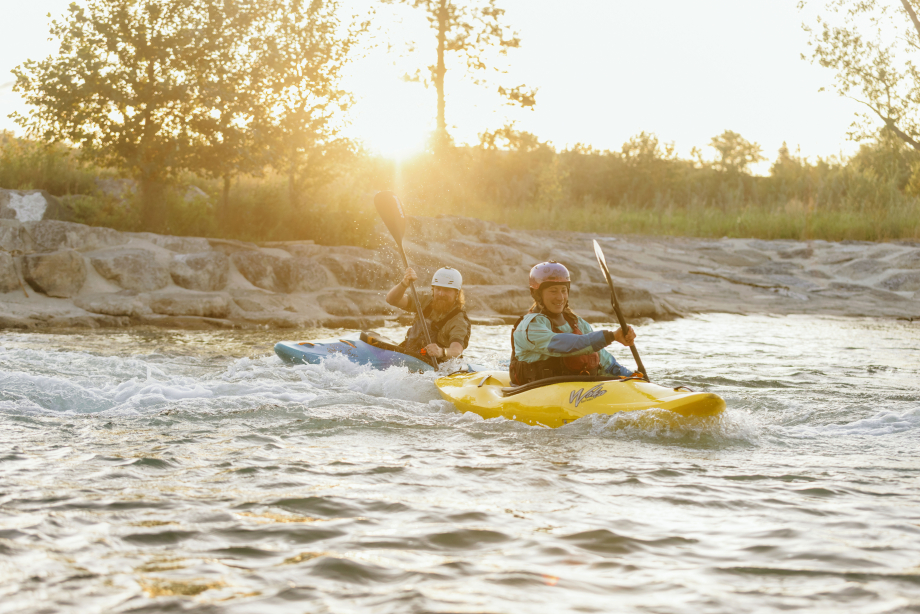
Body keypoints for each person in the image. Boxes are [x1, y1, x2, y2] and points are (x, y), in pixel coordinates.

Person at [509, 261, 637, 385]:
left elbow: (604, 361)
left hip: (578, 393)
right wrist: (611, 336)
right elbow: (564, 345)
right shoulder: (529, 327)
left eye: (563, 290)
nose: (560, 297)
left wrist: (631, 377)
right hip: (538, 392)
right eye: (553, 291)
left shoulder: (577, 323)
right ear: (536, 294)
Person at [385, 266, 471, 362]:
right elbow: (391, 300)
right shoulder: (424, 301)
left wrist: (441, 352)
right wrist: (404, 284)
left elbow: (457, 350)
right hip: (410, 356)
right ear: (433, 289)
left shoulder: (460, 320)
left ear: (457, 293)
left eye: (447, 290)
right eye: (438, 289)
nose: (441, 294)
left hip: (435, 366)